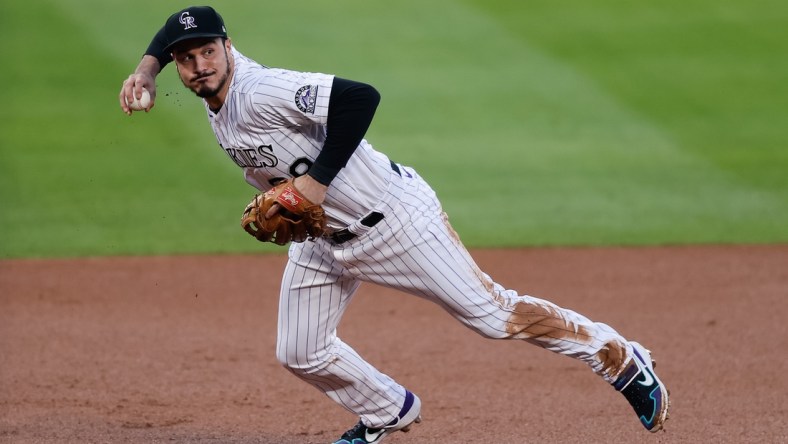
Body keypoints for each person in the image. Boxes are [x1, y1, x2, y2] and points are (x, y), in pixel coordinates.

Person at [119, 6, 670, 443]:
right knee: (300, 350)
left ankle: (618, 356)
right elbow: (174, 29)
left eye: (207, 51)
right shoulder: (212, 99)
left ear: (228, 47)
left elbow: (361, 98)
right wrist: (146, 68)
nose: (198, 65)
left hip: (395, 220)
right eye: (185, 59)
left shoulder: (261, 90)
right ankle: (387, 411)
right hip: (321, 242)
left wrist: (315, 184)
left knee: (493, 316)